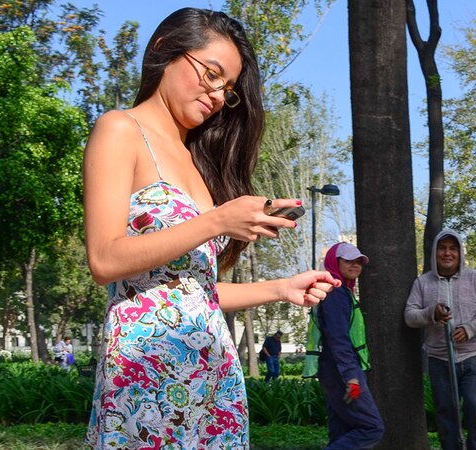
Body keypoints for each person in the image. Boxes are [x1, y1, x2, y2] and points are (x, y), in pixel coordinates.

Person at [82, 8, 340, 448]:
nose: (219, 95)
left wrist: (281, 288)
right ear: (166, 50)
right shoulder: (120, 129)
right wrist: (218, 220)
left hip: (212, 373)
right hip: (146, 372)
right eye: (212, 75)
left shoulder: (199, 163)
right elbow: (105, 260)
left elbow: (192, 292)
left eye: (229, 88)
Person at [404, 230, 476, 450]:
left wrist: (470, 328)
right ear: (435, 252)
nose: (447, 253)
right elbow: (410, 315)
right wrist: (431, 314)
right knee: (445, 413)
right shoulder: (423, 282)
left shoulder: (475, 278)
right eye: (442, 248)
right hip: (439, 359)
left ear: (460, 252)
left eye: (452, 248)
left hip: (472, 357)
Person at [316, 242, 384, 449]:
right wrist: (351, 377)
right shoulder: (335, 292)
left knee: (341, 430)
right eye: (348, 261)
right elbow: (339, 339)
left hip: (333, 370)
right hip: (342, 373)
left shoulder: (340, 290)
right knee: (372, 428)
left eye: (358, 261)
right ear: (334, 262)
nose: (355, 265)